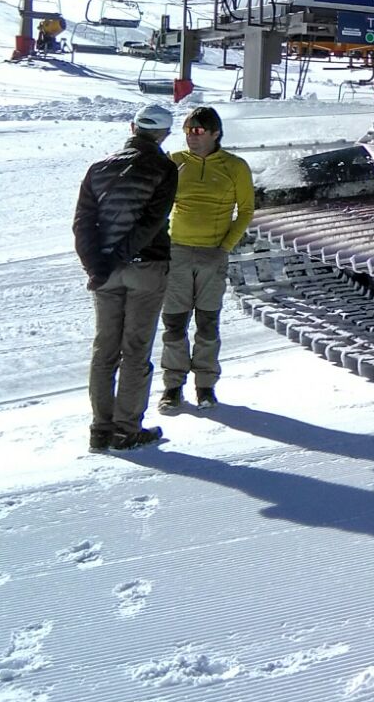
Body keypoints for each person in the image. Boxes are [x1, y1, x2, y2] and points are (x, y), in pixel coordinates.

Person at [74, 104, 179, 453]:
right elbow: (151, 222)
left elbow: (83, 224)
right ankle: (127, 429)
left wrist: (97, 266)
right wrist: (121, 256)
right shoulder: (164, 168)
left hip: (105, 272)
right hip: (146, 268)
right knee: (135, 350)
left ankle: (99, 429)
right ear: (164, 133)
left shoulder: (98, 168)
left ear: (132, 127)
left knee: (104, 350)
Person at [157, 106, 255, 413]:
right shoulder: (175, 162)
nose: (192, 138)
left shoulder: (234, 166)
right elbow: (157, 203)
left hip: (213, 255)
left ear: (215, 134)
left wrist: (224, 247)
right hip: (178, 252)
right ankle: (173, 387)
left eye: (198, 132)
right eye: (187, 131)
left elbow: (247, 211)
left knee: (207, 323)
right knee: (174, 323)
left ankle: (205, 386)